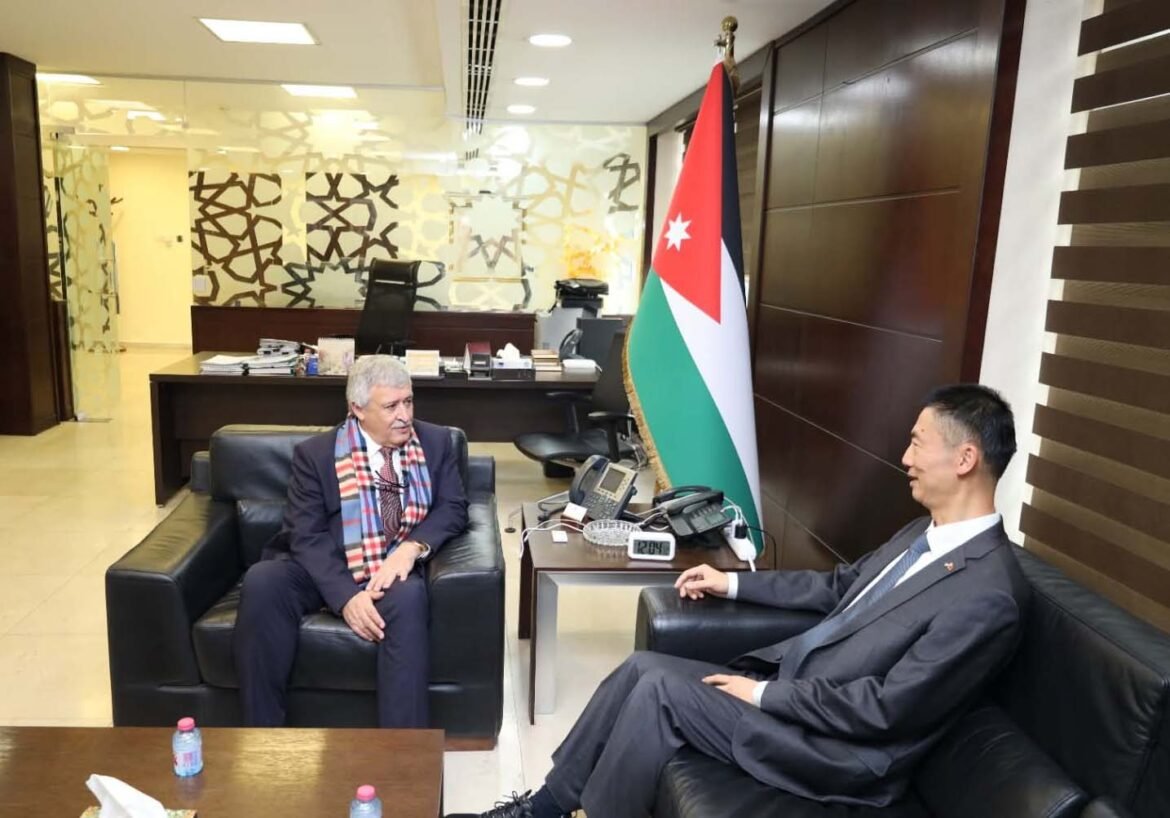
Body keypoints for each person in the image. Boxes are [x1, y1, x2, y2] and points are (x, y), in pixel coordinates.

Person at [466, 384, 1030, 818]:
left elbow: (886, 710)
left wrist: (764, 694)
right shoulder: (922, 533)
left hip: (841, 752)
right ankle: (542, 808)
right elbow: (838, 587)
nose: (905, 457)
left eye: (917, 443)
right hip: (803, 701)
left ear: (964, 459)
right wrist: (730, 582)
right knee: (640, 667)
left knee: (662, 692)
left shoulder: (988, 595)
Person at [234, 355, 468, 728]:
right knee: (264, 581)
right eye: (391, 406)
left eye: (408, 401)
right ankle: (261, 738)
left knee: (409, 597)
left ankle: (402, 749)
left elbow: (453, 507)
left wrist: (412, 547)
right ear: (357, 408)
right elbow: (306, 534)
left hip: (391, 566)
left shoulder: (436, 442)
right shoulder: (316, 455)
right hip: (328, 564)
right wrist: (346, 597)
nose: (404, 416)